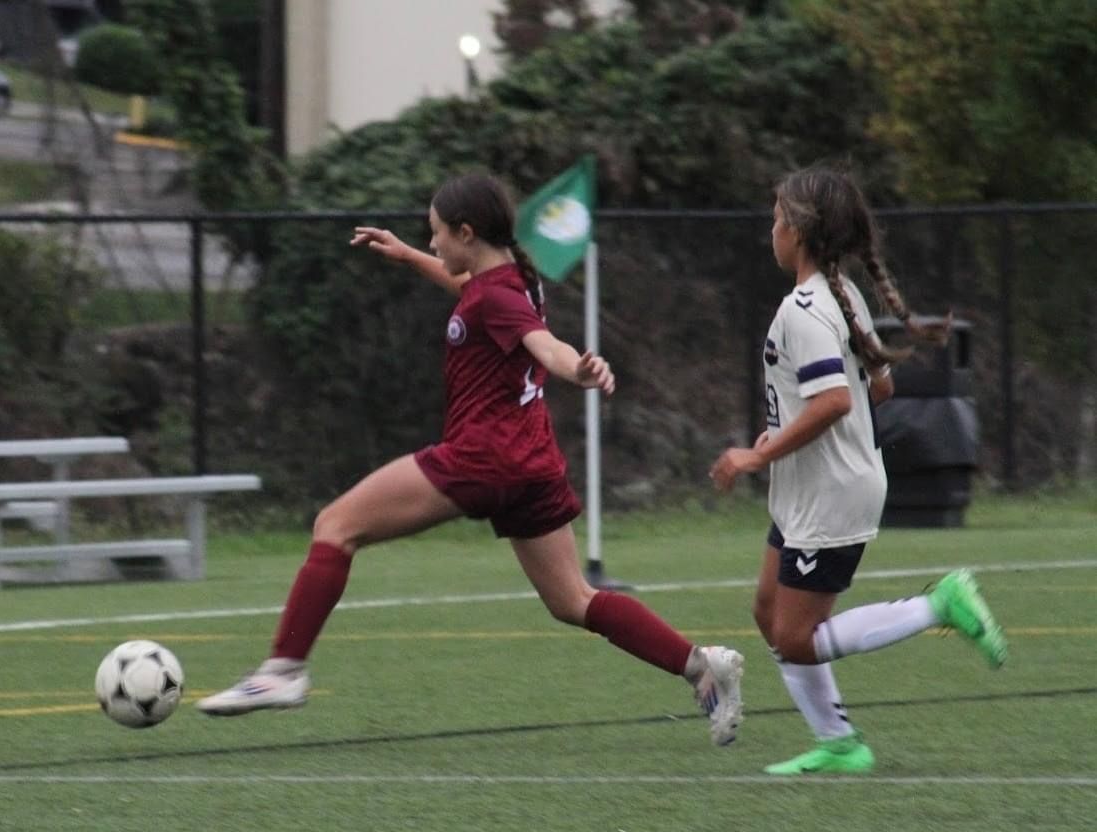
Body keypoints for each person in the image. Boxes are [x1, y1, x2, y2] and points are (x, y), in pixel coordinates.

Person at [198, 171, 746, 746]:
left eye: (436, 234)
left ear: (466, 232)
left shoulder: (500, 296)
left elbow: (543, 344)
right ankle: (699, 666)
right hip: (532, 462)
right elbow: (479, 299)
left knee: (335, 526)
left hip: (484, 458)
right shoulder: (511, 280)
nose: (433, 243)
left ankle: (282, 671)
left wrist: (577, 370)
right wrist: (409, 255)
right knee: (571, 600)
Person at [709, 165, 1007, 774]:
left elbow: (836, 401)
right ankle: (839, 743)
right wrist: (787, 426)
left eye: (775, 217)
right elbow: (879, 386)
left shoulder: (806, 307)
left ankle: (939, 605)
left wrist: (758, 452)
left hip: (829, 493)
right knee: (768, 611)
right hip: (807, 487)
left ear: (796, 229)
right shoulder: (842, 297)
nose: (771, 228)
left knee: (796, 637)